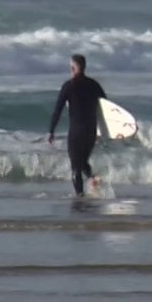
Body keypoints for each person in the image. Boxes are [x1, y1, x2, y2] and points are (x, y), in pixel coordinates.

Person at [48, 53, 107, 196]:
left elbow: (58, 110)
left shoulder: (68, 86)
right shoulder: (94, 85)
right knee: (83, 162)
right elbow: (106, 107)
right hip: (91, 132)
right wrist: (104, 130)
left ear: (73, 68)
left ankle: (79, 197)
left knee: (76, 168)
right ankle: (92, 179)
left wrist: (51, 130)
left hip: (76, 132)